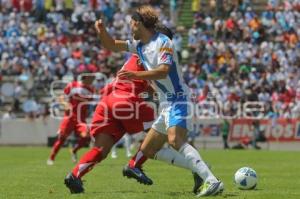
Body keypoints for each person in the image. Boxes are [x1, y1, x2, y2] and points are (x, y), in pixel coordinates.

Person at [93, 5, 223, 196]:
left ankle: (212, 181)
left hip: (178, 99)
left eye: (131, 24)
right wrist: (101, 31)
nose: (130, 28)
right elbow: (111, 44)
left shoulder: (163, 42)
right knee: (148, 150)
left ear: (138, 24)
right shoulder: (139, 46)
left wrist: (135, 75)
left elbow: (163, 71)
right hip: (166, 104)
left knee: (174, 140)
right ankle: (200, 169)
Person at [64, 54, 156, 193]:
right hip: (126, 100)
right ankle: (134, 165)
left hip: (108, 101)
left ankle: (75, 175)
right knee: (157, 135)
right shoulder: (151, 51)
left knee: (101, 149)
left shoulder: (133, 57)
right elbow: (154, 82)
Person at [47, 74, 95, 165]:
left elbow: (89, 103)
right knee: (62, 139)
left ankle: (74, 150)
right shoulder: (72, 85)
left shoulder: (91, 90)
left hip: (81, 119)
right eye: (91, 78)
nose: (93, 80)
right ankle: (51, 158)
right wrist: (65, 104)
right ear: (85, 78)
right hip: (69, 117)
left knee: (86, 136)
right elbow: (61, 97)